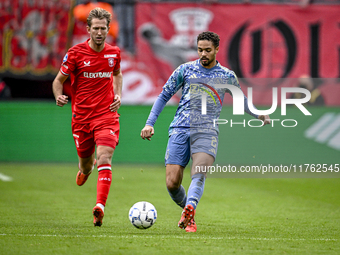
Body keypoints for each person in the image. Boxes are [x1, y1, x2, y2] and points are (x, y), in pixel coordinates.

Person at [140, 31, 270, 233]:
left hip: (207, 131)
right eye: (200, 50)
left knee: (199, 173)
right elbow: (163, 95)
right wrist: (150, 123)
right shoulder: (185, 70)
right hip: (180, 128)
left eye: (208, 50)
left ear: (217, 49)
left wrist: (257, 114)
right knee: (172, 183)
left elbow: (241, 100)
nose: (203, 54)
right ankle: (188, 211)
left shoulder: (226, 76)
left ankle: (190, 209)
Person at [52, 7, 122, 227]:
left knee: (105, 156)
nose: (100, 33)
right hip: (81, 118)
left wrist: (118, 93)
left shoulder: (114, 53)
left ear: (108, 29)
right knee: (87, 166)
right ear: (88, 29)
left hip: (106, 115)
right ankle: (85, 170)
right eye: (96, 29)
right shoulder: (75, 53)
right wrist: (58, 95)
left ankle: (99, 206)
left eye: (103, 28)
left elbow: (117, 73)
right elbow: (57, 81)